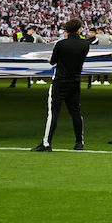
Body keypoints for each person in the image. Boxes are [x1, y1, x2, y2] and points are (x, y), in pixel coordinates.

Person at [32, 18, 91, 152]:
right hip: (74, 82)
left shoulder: (61, 44)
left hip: (60, 82)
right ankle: (79, 142)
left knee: (53, 113)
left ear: (66, 31)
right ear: (79, 30)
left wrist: (50, 59)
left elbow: (53, 61)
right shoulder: (85, 44)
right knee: (76, 113)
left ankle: (47, 143)